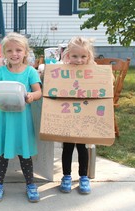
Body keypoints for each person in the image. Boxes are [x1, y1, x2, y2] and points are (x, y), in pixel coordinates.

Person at [0, 32, 42, 202]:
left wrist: (32, 96)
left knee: (24, 154)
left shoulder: (30, 72)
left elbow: (38, 91)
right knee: (2, 154)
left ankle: (30, 184)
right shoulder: (0, 72)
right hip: (4, 119)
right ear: (4, 53)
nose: (14, 54)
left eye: (18, 50)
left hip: (22, 121)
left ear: (25, 52)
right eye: (10, 51)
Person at [59, 36, 96, 194]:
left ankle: (83, 177)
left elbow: (108, 81)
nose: (79, 60)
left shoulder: (93, 68)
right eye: (75, 56)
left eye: (83, 56)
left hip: (84, 115)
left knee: (82, 147)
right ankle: (66, 176)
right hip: (68, 115)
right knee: (67, 148)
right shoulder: (63, 68)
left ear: (89, 56)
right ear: (68, 55)